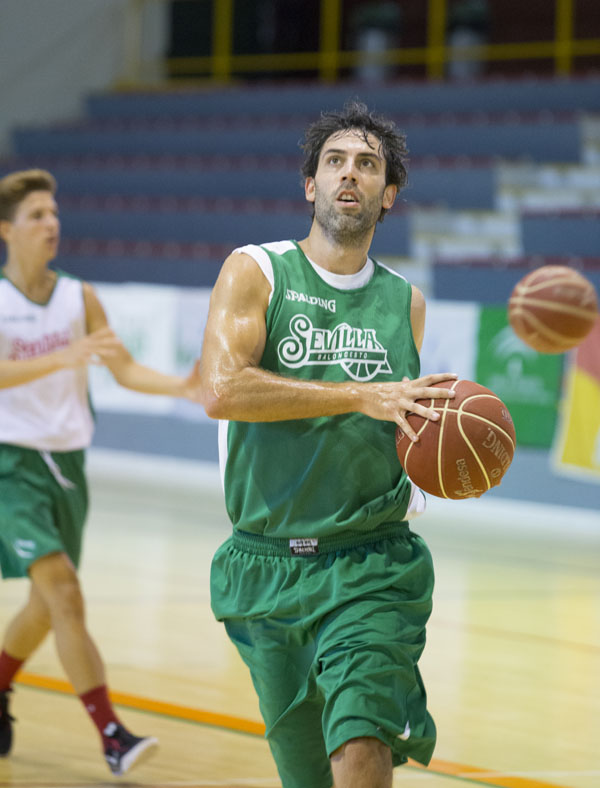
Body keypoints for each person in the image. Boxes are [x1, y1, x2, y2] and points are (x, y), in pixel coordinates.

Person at [199, 100, 457, 788]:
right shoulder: (256, 270)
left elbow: (400, 424)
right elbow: (221, 390)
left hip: (373, 564)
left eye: (368, 165)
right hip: (267, 565)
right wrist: (355, 393)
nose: (351, 174)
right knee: (309, 775)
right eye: (335, 161)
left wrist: (451, 444)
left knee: (362, 743)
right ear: (310, 184)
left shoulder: (406, 302)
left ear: (388, 194)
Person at [0, 169, 199, 776]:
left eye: (55, 212)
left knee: (44, 604)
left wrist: (185, 388)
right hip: (10, 464)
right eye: (37, 215)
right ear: (7, 230)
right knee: (63, 590)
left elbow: (126, 369)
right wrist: (61, 357)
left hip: (68, 466)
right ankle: (111, 734)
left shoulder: (78, 297)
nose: (52, 223)